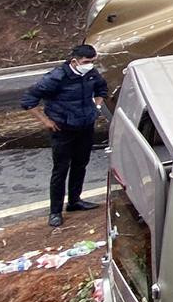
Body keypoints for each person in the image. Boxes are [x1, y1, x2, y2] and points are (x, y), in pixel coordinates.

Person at [21, 44, 108, 227]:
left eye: (93, 61)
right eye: (86, 62)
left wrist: (96, 107)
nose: (90, 65)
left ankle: (75, 201)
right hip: (62, 129)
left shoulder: (91, 73)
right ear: (75, 61)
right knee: (60, 170)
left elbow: (102, 90)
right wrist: (46, 121)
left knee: (80, 164)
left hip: (85, 126)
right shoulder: (57, 77)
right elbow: (29, 100)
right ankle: (55, 211)